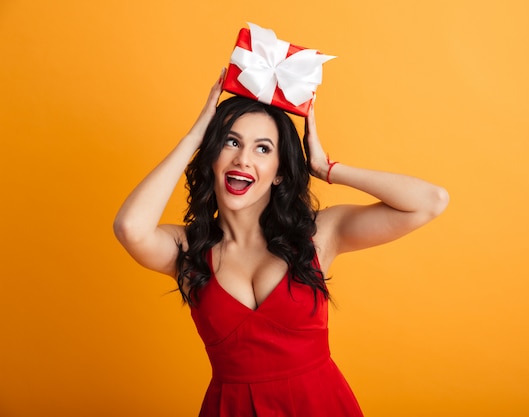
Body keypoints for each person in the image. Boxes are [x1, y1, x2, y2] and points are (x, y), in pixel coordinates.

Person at [114, 69, 449, 416]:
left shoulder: (318, 234)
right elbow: (130, 228)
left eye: (263, 148)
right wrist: (194, 137)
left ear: (278, 173)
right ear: (213, 156)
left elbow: (431, 201)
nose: (243, 158)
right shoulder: (188, 249)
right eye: (231, 142)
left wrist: (325, 167)